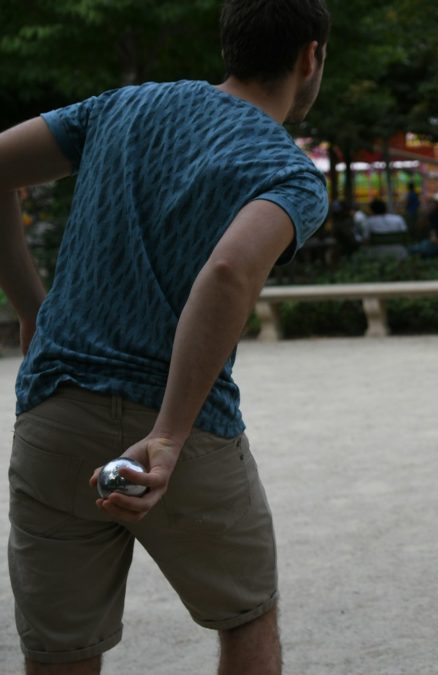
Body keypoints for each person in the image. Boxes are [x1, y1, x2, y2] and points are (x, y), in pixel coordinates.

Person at [0, 0, 330, 672]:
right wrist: (171, 433)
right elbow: (231, 268)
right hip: (186, 428)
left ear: (229, 47)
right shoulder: (288, 172)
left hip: (55, 412)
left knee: (62, 650)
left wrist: (32, 306)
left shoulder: (121, 107)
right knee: (245, 615)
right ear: (309, 57)